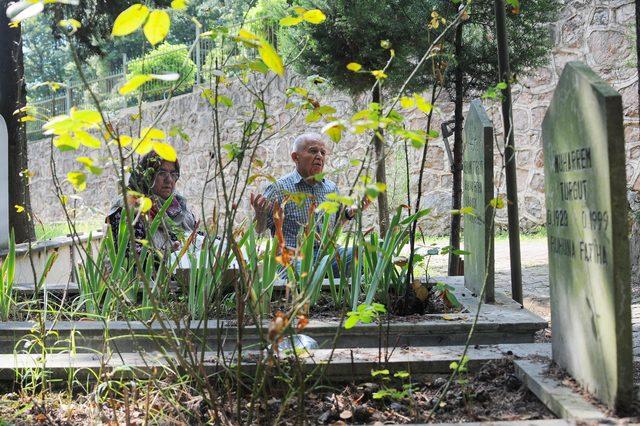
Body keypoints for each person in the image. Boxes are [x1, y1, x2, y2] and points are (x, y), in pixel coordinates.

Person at [250, 133, 365, 275]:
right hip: (293, 255)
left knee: (363, 254)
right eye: (313, 151)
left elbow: (334, 228)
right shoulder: (278, 189)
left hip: (326, 254)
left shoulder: (331, 188)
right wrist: (260, 215)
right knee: (303, 273)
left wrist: (348, 214)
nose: (320, 156)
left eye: (323, 152)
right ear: (295, 157)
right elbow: (259, 229)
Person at [106, 152, 198, 255]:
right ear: (147, 176)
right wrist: (168, 255)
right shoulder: (129, 208)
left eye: (173, 174)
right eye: (162, 173)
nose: (169, 180)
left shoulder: (179, 206)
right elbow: (131, 257)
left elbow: (196, 236)